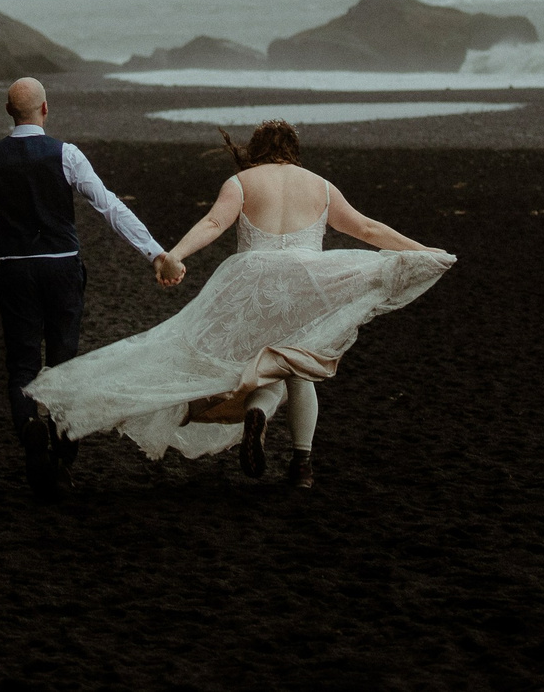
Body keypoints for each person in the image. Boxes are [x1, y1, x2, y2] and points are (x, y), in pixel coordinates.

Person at [24, 119, 451, 490]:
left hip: (252, 284)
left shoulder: (242, 182)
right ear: (294, 153)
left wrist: (175, 255)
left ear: (256, 152)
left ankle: (256, 418)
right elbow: (366, 228)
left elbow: (213, 223)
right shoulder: (320, 185)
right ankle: (301, 466)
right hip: (306, 286)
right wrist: (422, 250)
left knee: (245, 362)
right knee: (298, 371)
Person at [0, 76, 178, 499]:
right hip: (61, 269)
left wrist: (1, 211)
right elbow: (109, 205)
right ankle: (63, 460)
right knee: (64, 364)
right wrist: (156, 254)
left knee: (21, 366)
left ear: (8, 112)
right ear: (46, 109)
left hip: (15, 270)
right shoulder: (66, 154)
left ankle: (28, 430)